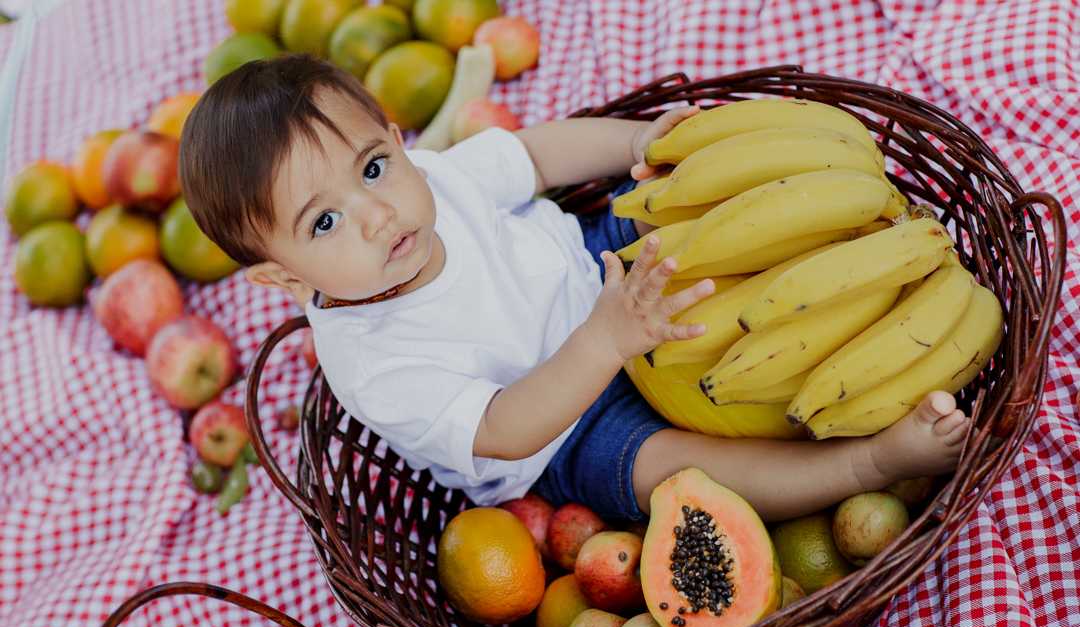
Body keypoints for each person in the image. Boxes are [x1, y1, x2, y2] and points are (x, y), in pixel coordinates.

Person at [178, 53, 970, 523]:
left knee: (732, 241)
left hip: (595, 263)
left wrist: (639, 141)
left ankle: (877, 273)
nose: (376, 213)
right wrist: (603, 341)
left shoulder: (437, 180)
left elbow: (535, 156)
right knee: (677, 472)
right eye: (324, 223)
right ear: (284, 278)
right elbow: (503, 427)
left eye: (375, 168)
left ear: (395, 140)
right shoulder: (369, 365)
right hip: (564, 431)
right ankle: (867, 464)